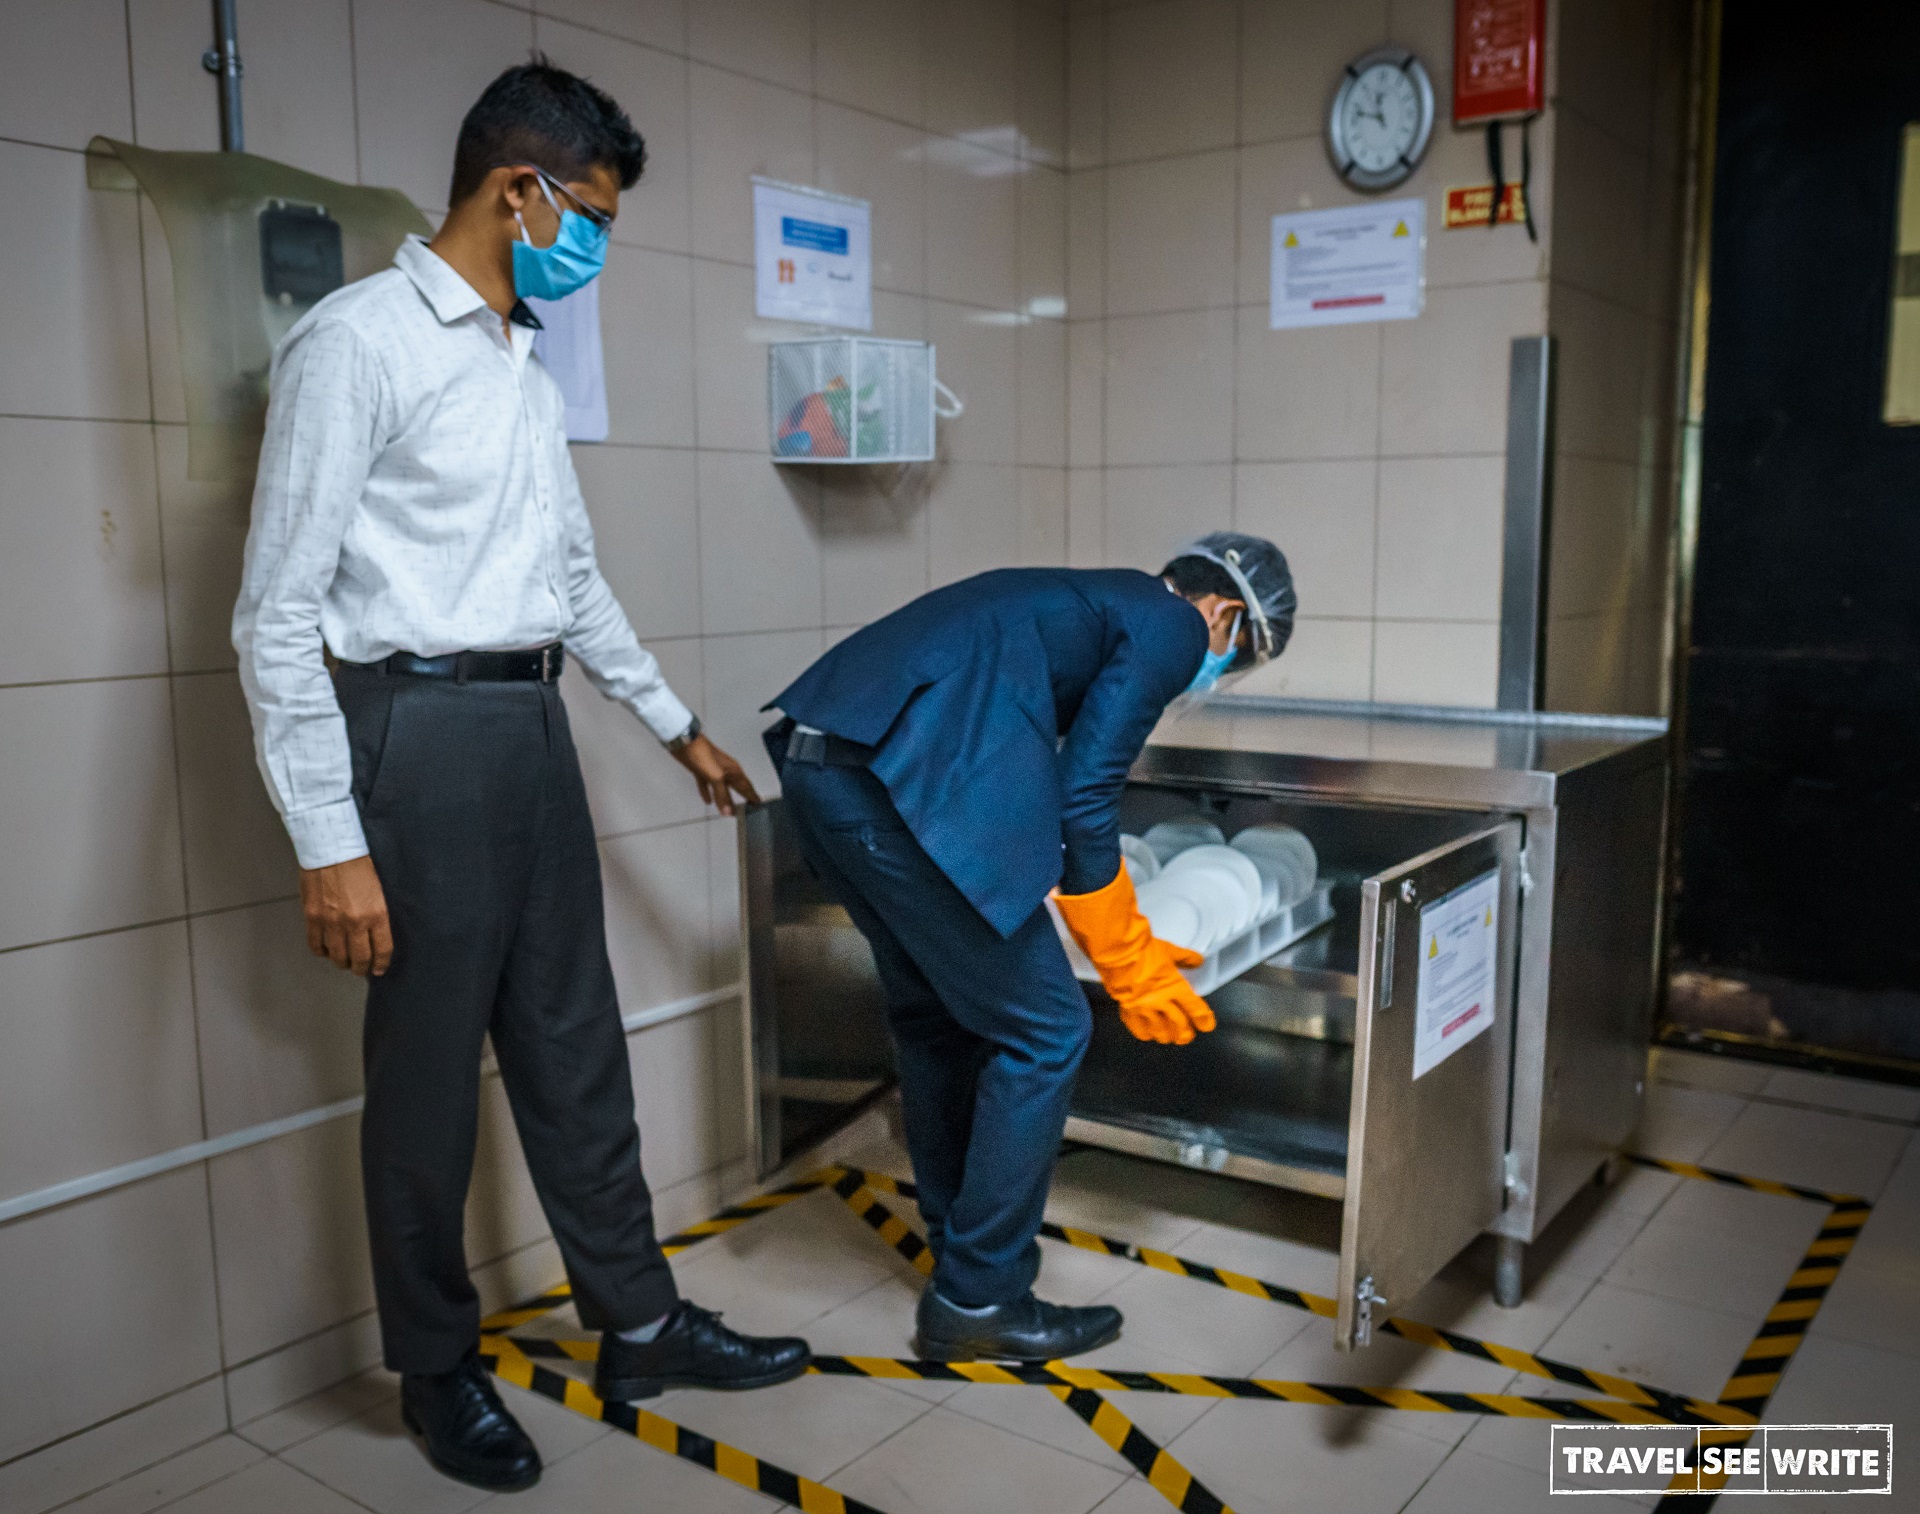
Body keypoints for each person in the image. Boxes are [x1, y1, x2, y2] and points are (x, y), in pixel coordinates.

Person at [232, 60, 809, 1495]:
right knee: (425, 1084)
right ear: (519, 190)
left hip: (528, 729)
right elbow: (275, 613)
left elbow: (567, 578)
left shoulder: (514, 357)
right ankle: (436, 1370)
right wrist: (328, 839)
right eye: (591, 215)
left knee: (575, 1045)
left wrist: (674, 721)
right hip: (412, 740)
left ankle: (641, 1321)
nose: (592, 243)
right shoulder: (356, 343)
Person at [765, 534, 1296, 1362]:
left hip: (825, 769)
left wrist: (1112, 915)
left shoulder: (1097, 598)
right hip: (887, 789)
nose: (1217, 671)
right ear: (1227, 613)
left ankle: (961, 1252)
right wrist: (1123, 956)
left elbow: (1027, 764)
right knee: (1049, 1029)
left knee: (938, 1017)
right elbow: (1086, 794)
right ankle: (980, 1297)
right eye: (1237, 657)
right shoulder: (1172, 626)